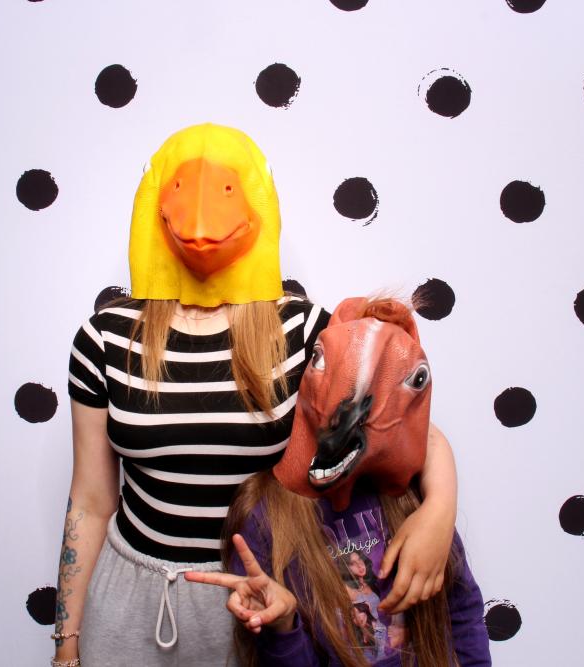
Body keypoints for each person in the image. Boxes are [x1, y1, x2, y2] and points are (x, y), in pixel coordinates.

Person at [50, 124, 460, 667]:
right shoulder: (104, 338)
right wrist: (67, 642)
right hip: (131, 604)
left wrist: (439, 515)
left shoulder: (305, 332)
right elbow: (90, 500)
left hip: (270, 603)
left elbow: (409, 435)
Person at [184, 297, 491, 666]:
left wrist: (439, 505)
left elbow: (463, 613)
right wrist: (283, 626)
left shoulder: (412, 503)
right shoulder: (267, 519)